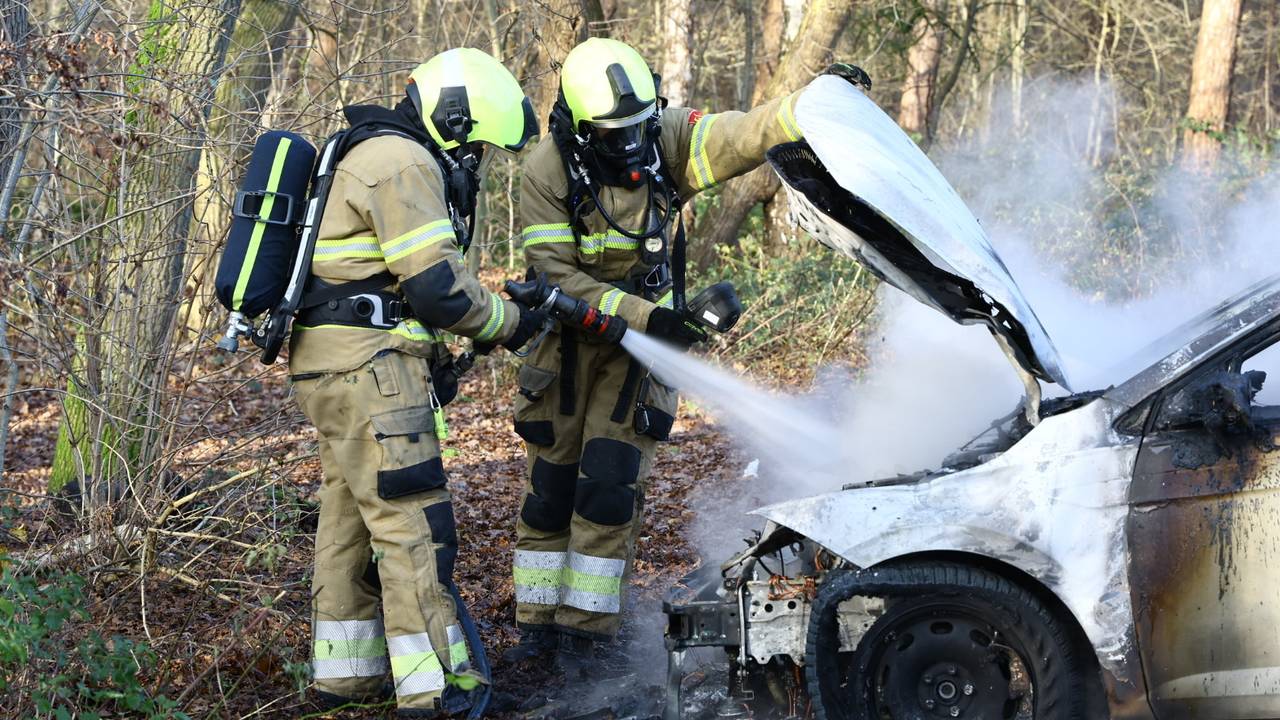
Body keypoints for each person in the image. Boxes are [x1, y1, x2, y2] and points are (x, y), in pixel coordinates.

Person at [505, 36, 872, 672]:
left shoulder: (666, 137)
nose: (629, 146)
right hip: (565, 349)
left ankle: (588, 640)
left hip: (635, 359)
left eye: (637, 130)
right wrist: (655, 318)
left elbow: (745, 132)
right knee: (550, 489)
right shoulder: (546, 170)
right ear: (579, 126)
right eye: (613, 136)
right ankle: (536, 634)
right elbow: (559, 278)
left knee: (609, 489)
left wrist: (814, 103)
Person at [288, 48, 542, 716]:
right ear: (455, 119)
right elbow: (436, 290)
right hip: (371, 371)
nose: (477, 162)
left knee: (347, 521)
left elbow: (384, 281)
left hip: (332, 363)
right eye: (478, 146)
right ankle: (439, 690)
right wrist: (511, 323)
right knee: (413, 525)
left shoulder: (364, 152)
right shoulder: (403, 162)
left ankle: (347, 677)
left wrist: (431, 365)